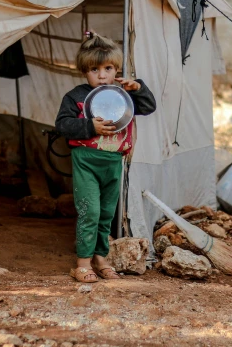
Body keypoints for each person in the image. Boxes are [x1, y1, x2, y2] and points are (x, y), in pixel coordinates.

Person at [55, 32, 157, 283]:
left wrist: (139, 88)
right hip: (86, 161)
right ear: (83, 71)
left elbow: (148, 107)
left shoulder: (124, 95)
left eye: (108, 68)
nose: (102, 75)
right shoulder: (76, 97)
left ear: (117, 69)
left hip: (113, 162)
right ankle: (82, 262)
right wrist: (90, 127)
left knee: (106, 214)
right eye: (93, 69)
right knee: (90, 210)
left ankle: (101, 258)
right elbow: (63, 125)